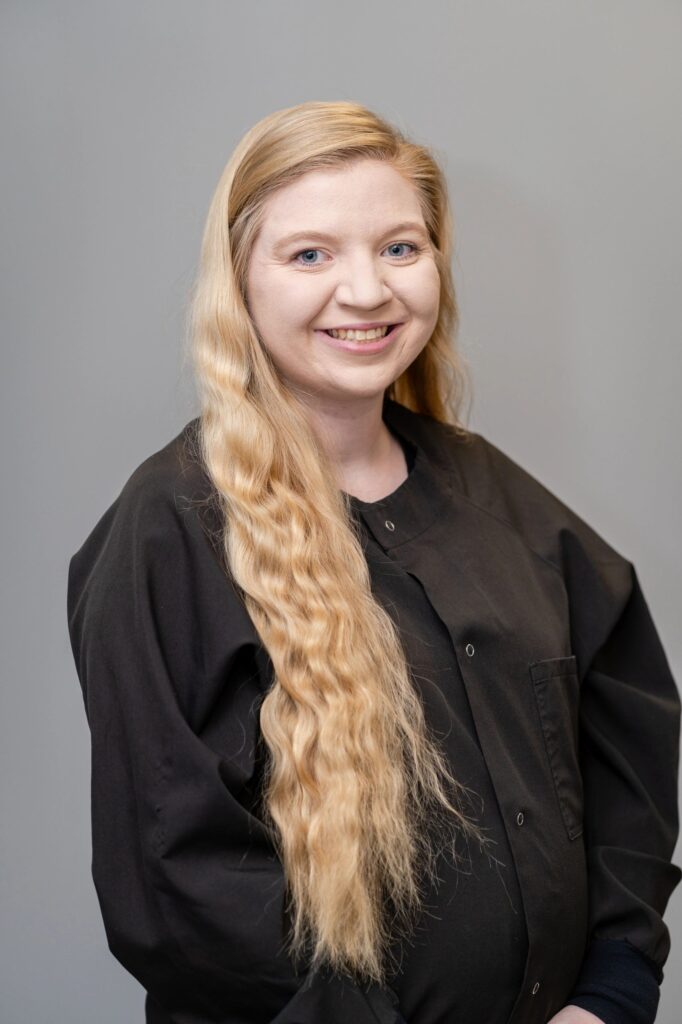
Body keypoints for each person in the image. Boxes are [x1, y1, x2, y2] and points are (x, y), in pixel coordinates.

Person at [66, 100, 681, 1024]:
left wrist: (611, 989)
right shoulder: (170, 529)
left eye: (400, 247)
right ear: (239, 280)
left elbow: (626, 744)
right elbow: (176, 882)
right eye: (310, 254)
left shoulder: (497, 499)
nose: (368, 291)